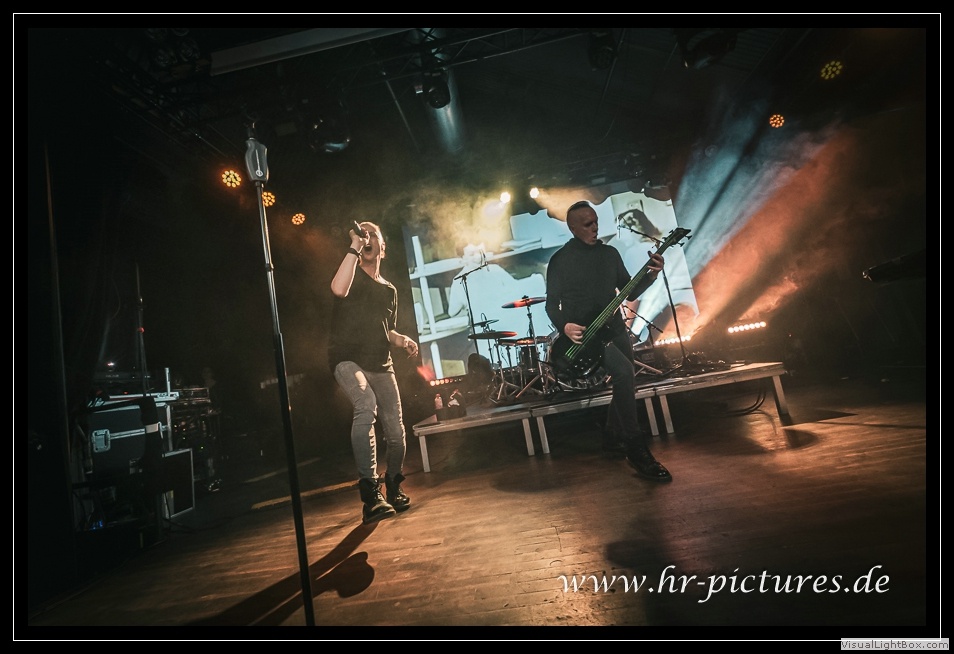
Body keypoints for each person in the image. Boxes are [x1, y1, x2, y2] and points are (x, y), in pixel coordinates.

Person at [545, 200, 672, 482]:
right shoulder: (560, 260)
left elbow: (629, 291)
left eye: (596, 222)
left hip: (614, 329)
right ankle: (636, 448)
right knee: (624, 373)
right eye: (588, 224)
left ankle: (612, 436)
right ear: (573, 228)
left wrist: (652, 274)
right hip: (588, 336)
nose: (595, 227)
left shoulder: (609, 253)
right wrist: (564, 326)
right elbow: (551, 305)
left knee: (627, 378)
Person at [329, 220, 419, 523]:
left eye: (372, 234)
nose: (367, 237)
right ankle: (370, 493)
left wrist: (402, 339)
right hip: (347, 359)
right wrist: (355, 245)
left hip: (381, 362)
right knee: (365, 404)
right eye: (363, 233)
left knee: (396, 431)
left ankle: (393, 483)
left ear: (383, 247)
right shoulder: (350, 275)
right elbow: (337, 289)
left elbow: (386, 330)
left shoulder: (389, 290)